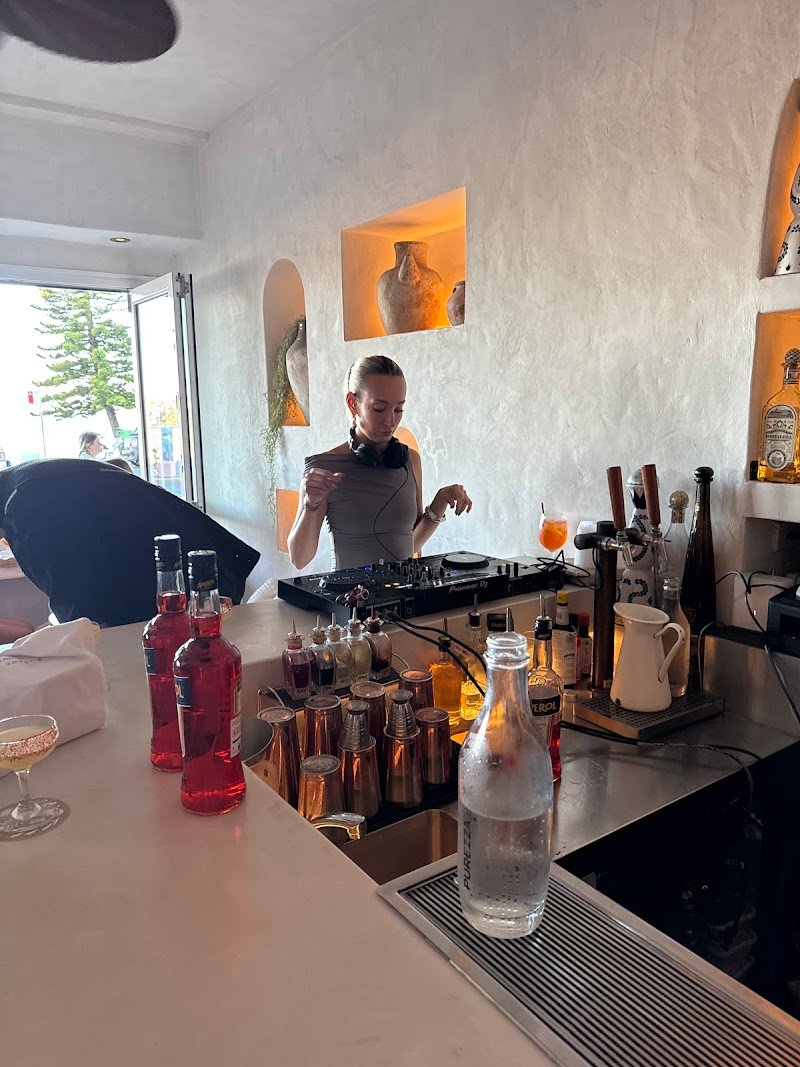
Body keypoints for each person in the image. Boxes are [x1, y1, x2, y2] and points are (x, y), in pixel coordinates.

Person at [287, 355, 472, 570]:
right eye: (379, 408)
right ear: (353, 403)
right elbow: (299, 559)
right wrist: (310, 506)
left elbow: (410, 542)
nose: (390, 421)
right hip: (351, 591)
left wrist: (440, 503)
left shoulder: (410, 460)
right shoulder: (324, 468)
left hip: (403, 590)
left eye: (398, 409)